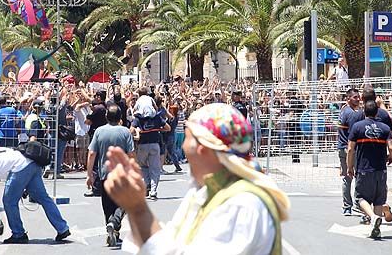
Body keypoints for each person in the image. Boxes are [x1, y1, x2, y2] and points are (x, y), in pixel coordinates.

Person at [103, 103, 289, 254]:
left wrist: (137, 208)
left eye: (188, 137)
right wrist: (134, 207)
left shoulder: (242, 203)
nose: (183, 145)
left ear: (202, 148)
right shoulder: (205, 192)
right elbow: (171, 245)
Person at [0, 146, 71, 244]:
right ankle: (62, 228)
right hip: (32, 163)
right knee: (44, 198)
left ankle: (18, 234)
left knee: (9, 202)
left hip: (20, 167)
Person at [346, 101, 392, 240]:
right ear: (377, 113)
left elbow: (350, 149)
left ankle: (372, 217)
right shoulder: (384, 128)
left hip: (364, 168)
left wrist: (349, 166)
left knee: (359, 198)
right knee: (378, 200)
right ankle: (376, 228)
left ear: (364, 112)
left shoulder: (357, 127)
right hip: (381, 169)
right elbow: (391, 148)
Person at [86, 105, 134, 247]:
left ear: (107, 117)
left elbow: (92, 154)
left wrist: (89, 175)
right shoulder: (125, 132)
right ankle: (114, 224)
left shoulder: (99, 131)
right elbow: (131, 154)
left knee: (108, 205)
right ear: (120, 118)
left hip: (104, 174)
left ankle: (112, 231)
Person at [130, 98, 170, 201]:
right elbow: (168, 128)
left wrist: (138, 132)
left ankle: (147, 183)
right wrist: (158, 129)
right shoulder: (156, 117)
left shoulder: (138, 118)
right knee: (155, 168)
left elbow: (131, 130)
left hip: (143, 145)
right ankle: (153, 191)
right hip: (154, 144)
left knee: (143, 165)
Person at [336, 88, 360, 216]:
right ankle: (357, 204)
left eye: (358, 97)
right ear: (348, 98)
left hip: (342, 148)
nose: (358, 99)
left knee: (346, 177)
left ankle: (347, 206)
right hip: (351, 149)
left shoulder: (343, 111)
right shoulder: (353, 114)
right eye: (355, 97)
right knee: (357, 177)